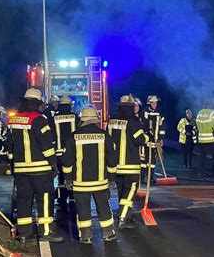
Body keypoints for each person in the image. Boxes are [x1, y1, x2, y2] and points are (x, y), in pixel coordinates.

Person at [5, 88, 63, 243]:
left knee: (23, 199)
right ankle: (46, 231)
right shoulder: (39, 120)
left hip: (20, 170)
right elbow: (46, 145)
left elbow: (10, 145)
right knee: (44, 198)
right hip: (40, 169)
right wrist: (53, 164)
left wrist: (12, 164)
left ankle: (24, 233)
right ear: (37, 103)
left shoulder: (13, 120)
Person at [62, 106, 118, 244]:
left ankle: (86, 236)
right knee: (104, 208)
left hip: (80, 183)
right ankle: (108, 233)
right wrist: (111, 178)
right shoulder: (104, 136)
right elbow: (112, 159)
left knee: (83, 209)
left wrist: (68, 179)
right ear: (94, 120)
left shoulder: (73, 136)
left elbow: (67, 160)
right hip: (100, 182)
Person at [108, 94, 149, 229]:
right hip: (130, 164)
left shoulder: (112, 120)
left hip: (115, 164)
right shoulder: (133, 121)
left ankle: (127, 215)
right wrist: (147, 137)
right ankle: (123, 217)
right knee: (130, 190)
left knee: (121, 191)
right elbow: (140, 140)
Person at [53, 95, 80, 210]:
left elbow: (51, 135)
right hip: (73, 152)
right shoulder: (75, 117)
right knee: (73, 175)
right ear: (70, 106)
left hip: (58, 153)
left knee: (61, 177)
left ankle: (61, 198)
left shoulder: (54, 118)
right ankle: (73, 197)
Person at [140, 95, 165, 183]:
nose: (155, 105)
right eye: (153, 103)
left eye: (156, 103)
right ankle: (142, 178)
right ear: (149, 104)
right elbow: (144, 126)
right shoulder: (144, 113)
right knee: (144, 160)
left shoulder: (159, 113)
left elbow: (162, 127)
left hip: (155, 141)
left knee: (152, 162)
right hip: (146, 141)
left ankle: (150, 178)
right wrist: (149, 135)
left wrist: (161, 138)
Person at [196, 104, 214, 175]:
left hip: (201, 138)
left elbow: (197, 124)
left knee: (202, 156)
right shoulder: (213, 113)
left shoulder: (199, 113)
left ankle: (200, 171)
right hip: (211, 139)